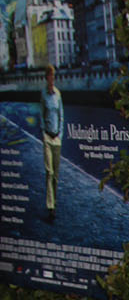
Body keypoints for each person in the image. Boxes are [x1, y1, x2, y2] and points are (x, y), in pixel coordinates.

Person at [39, 66, 64, 222]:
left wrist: (60, 135)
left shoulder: (58, 94)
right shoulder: (43, 95)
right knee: (49, 172)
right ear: (46, 77)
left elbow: (61, 116)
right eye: (50, 76)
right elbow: (41, 115)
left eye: (54, 76)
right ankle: (50, 206)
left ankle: (54, 202)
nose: (52, 78)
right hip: (48, 137)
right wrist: (43, 133)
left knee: (56, 175)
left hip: (57, 138)